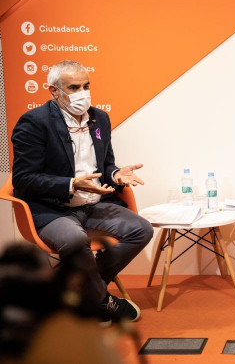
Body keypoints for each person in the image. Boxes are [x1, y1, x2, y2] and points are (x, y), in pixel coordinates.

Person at [11, 60, 153, 325]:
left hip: (95, 204)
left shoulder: (100, 118)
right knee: (76, 242)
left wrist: (115, 174)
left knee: (142, 230)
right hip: (53, 209)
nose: (83, 93)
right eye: (74, 87)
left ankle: (83, 291)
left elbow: (106, 164)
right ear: (54, 91)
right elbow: (23, 179)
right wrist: (71, 184)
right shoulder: (34, 123)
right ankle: (101, 301)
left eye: (86, 86)